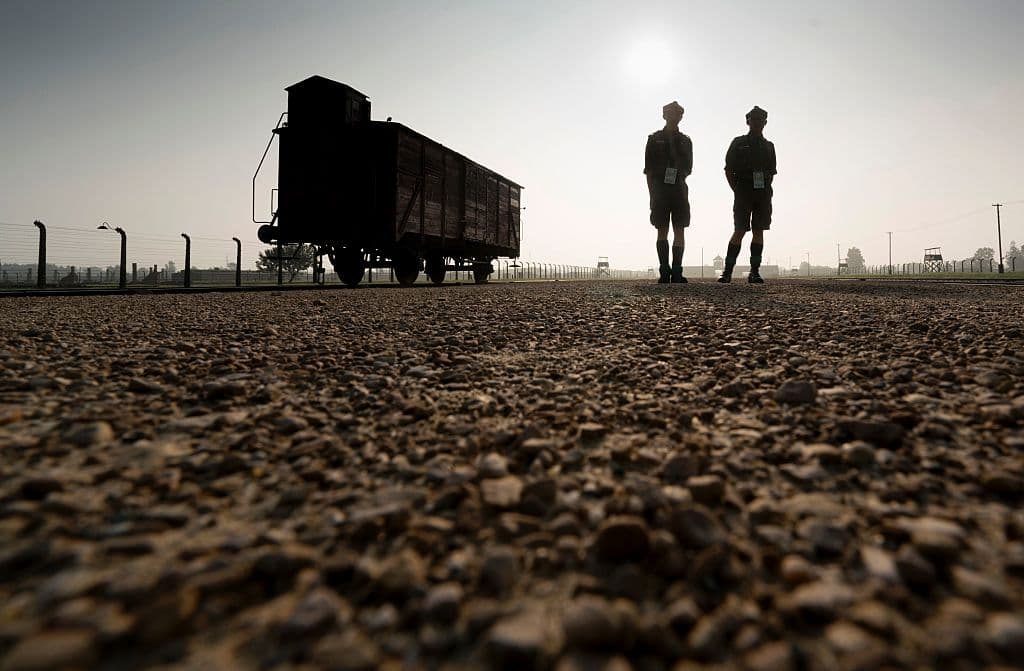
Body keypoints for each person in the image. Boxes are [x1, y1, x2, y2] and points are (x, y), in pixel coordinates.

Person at [718, 106, 776, 284]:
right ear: (747, 121)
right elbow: (728, 170)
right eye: (753, 119)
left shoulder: (769, 146)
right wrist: (737, 190)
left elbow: (771, 172)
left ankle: (754, 272)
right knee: (740, 230)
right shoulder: (738, 143)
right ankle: (727, 272)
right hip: (743, 190)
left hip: (763, 192)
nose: (757, 122)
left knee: (759, 230)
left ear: (765, 123)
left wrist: (764, 188)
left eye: (760, 120)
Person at [645, 101, 692, 283]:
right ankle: (664, 271)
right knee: (662, 230)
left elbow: (688, 169)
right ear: (664, 115)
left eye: (677, 113)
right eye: (670, 113)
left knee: (679, 230)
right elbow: (649, 171)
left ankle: (677, 271)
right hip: (660, 190)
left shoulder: (686, 141)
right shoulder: (654, 139)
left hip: (679, 189)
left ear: (681, 116)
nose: (674, 116)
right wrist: (652, 195)